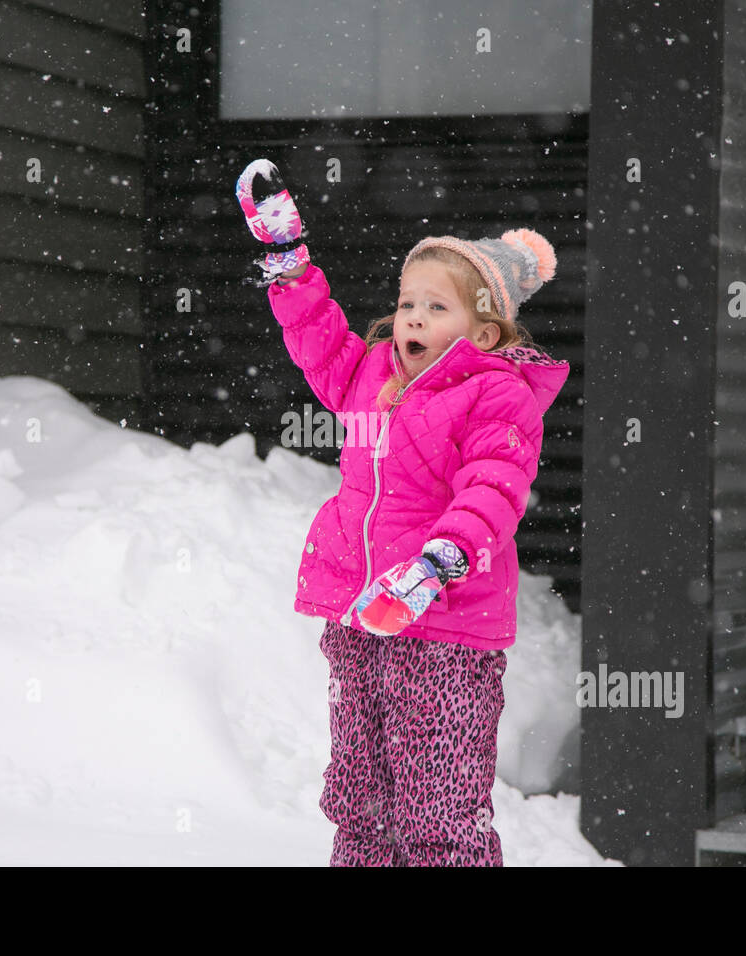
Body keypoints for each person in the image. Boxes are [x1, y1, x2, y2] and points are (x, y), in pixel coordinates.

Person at [236, 159, 570, 866]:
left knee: (438, 806)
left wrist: (437, 563)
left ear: (483, 331)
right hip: (362, 612)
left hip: (445, 626)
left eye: (437, 306)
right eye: (408, 299)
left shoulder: (496, 397)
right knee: (361, 797)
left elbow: (493, 488)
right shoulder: (371, 376)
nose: (413, 315)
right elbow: (319, 340)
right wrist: (288, 263)